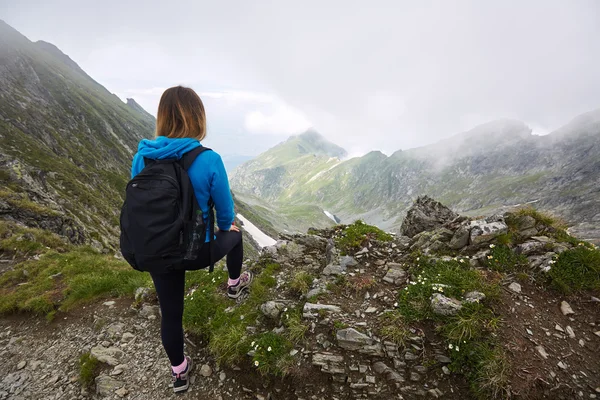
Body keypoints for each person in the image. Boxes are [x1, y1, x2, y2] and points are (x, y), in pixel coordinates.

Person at [130, 86, 253, 393]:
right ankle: (235, 285)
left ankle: (179, 373)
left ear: (162, 117)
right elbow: (225, 216)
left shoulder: (141, 157)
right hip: (197, 251)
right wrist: (227, 228)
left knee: (171, 314)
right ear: (197, 117)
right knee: (236, 235)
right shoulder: (209, 160)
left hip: (158, 252)